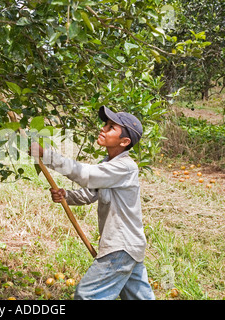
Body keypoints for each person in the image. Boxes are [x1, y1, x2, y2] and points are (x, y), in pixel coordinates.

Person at [30, 105, 155, 300]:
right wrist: (67, 196)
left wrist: (47, 155)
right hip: (130, 247)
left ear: (124, 141)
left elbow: (85, 175)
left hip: (121, 247)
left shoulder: (125, 167)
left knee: (87, 295)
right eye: (105, 124)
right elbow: (91, 194)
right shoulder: (109, 165)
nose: (103, 129)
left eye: (111, 127)